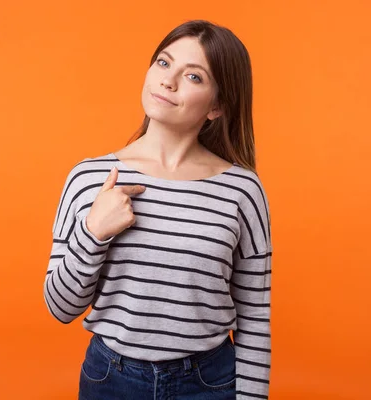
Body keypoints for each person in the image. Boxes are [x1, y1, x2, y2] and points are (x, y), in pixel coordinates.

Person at [44, 19, 272, 399]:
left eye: (194, 76)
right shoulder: (91, 177)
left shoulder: (242, 191)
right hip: (111, 380)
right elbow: (60, 307)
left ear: (217, 105)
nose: (168, 81)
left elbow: (255, 319)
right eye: (164, 63)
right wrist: (93, 232)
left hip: (208, 383)